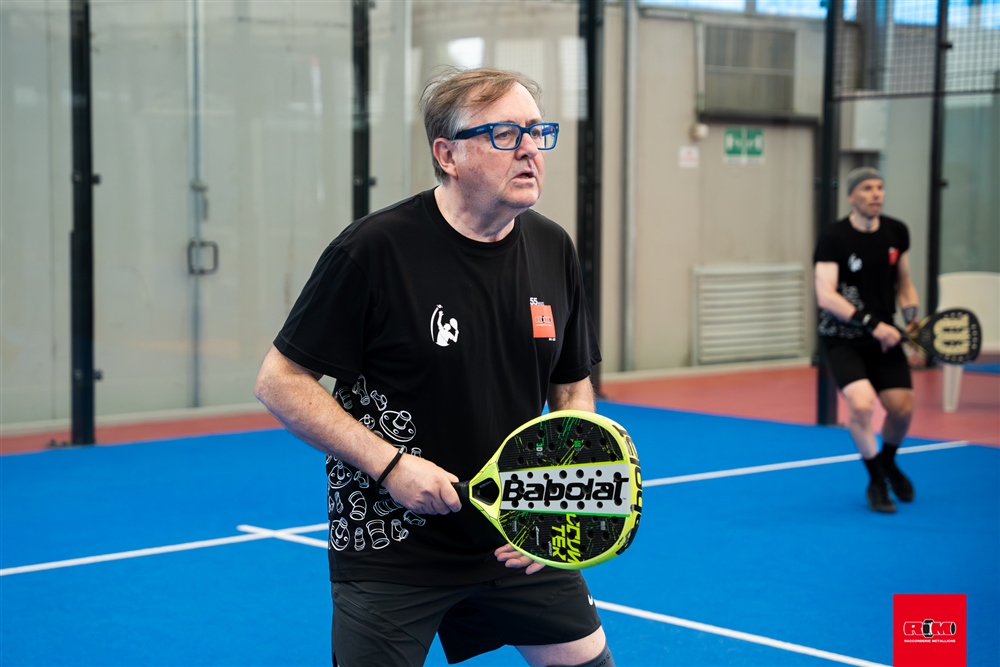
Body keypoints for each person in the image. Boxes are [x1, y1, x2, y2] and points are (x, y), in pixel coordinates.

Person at [254, 67, 614, 667]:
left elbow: (572, 386)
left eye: (537, 131)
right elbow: (280, 381)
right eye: (504, 134)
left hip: (513, 535)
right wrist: (390, 465)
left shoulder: (553, 248)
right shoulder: (373, 250)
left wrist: (554, 506)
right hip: (393, 546)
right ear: (447, 155)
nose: (529, 149)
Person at [814, 166, 920, 513]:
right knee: (861, 406)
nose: (875, 194)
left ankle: (887, 462)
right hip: (842, 338)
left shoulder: (896, 232)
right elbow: (825, 295)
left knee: (902, 410)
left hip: (885, 338)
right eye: (866, 188)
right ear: (851, 196)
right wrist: (872, 324)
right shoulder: (833, 237)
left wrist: (911, 316)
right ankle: (876, 479)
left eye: (879, 187)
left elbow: (904, 283)